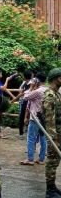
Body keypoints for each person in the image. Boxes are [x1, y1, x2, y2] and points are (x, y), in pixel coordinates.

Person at [20, 73, 47, 166]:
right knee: (43, 138)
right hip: (44, 118)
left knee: (31, 138)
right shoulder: (48, 90)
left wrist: (31, 87)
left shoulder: (38, 91)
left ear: (37, 81)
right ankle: (41, 159)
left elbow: (25, 97)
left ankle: (30, 159)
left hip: (35, 117)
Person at [43, 68, 61, 198]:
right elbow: (49, 118)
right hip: (54, 135)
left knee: (55, 161)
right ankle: (49, 190)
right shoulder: (49, 94)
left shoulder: (57, 93)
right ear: (57, 78)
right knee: (52, 161)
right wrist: (53, 137)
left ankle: (53, 187)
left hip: (59, 133)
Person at [12, 70, 32, 140]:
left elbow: (22, 93)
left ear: (24, 77)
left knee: (29, 118)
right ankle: (21, 133)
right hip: (25, 102)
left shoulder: (31, 84)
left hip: (29, 103)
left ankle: (27, 133)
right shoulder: (26, 83)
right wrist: (15, 99)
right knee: (22, 117)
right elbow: (22, 92)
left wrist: (14, 99)